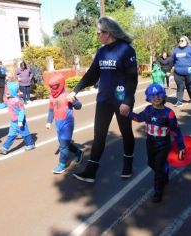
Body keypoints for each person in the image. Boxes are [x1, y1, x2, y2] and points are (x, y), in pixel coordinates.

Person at [67, 16, 138, 183]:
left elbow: (132, 79)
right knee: (99, 134)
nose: (97, 36)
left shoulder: (126, 50)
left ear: (108, 33)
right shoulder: (101, 52)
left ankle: (128, 165)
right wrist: (75, 90)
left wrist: (127, 101)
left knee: (126, 132)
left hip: (121, 100)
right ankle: (91, 172)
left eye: (99, 33)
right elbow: (92, 75)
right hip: (104, 99)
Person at [125, 84, 185, 202]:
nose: (156, 97)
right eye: (152, 96)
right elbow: (139, 118)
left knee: (158, 169)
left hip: (163, 144)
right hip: (150, 143)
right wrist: (128, 113)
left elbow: (175, 131)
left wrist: (181, 146)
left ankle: (158, 192)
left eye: (159, 94)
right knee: (151, 163)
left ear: (163, 95)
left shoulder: (169, 113)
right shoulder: (148, 110)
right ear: (148, 98)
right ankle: (165, 171)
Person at [46, 73, 84, 174]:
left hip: (67, 123)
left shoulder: (68, 95)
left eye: (55, 87)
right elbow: (51, 110)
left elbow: (79, 106)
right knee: (64, 143)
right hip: (58, 123)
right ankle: (78, 152)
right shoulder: (51, 97)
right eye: (51, 87)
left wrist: (75, 102)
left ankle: (62, 164)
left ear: (60, 84)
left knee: (63, 145)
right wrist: (49, 121)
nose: (53, 89)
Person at [0, 80, 35, 154]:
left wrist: (20, 121)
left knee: (25, 132)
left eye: (8, 91)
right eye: (6, 90)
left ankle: (31, 144)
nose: (6, 92)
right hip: (13, 121)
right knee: (11, 134)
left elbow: (22, 111)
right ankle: (4, 148)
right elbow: (2, 106)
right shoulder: (8, 100)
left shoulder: (18, 100)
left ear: (12, 91)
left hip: (20, 120)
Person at [162, 36, 191, 107]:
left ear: (186, 41)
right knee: (180, 86)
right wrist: (168, 70)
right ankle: (179, 101)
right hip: (178, 72)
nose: (180, 42)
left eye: (182, 40)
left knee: (190, 86)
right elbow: (172, 61)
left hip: (189, 72)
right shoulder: (176, 50)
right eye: (179, 40)